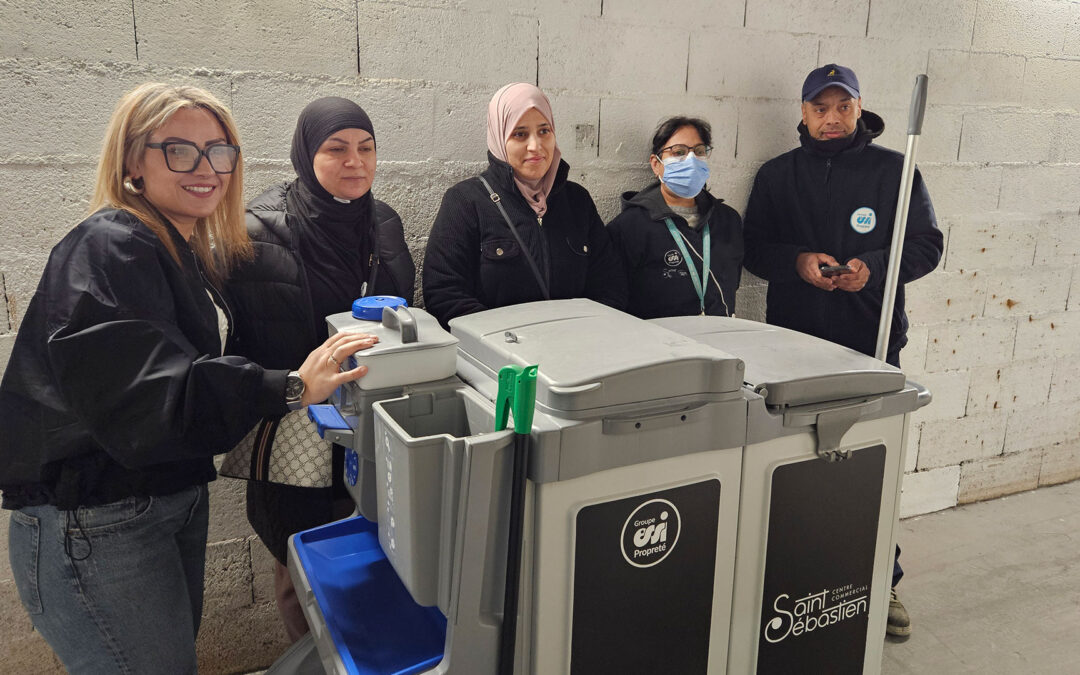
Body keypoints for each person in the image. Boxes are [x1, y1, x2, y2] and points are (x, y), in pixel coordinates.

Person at [0, 83, 376, 672]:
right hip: (97, 517)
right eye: (179, 150)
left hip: (160, 497)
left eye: (219, 151)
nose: (206, 169)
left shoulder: (175, 244)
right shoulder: (111, 245)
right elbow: (155, 395)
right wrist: (292, 385)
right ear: (133, 162)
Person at [742, 63, 943, 638]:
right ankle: (794, 578)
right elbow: (754, 248)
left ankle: (882, 580)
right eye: (819, 108)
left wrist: (872, 269)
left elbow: (927, 245)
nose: (831, 118)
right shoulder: (778, 175)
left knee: (870, 468)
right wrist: (799, 262)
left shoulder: (894, 171)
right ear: (803, 113)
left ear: (859, 109)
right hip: (795, 348)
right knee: (793, 470)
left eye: (842, 106)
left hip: (870, 343)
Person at [224, 96, 415, 642]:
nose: (355, 161)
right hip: (297, 419)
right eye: (336, 149)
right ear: (306, 154)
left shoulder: (384, 222)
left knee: (371, 550)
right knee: (302, 566)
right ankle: (313, 656)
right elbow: (237, 343)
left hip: (372, 418)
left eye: (366, 148)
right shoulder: (257, 231)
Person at [422, 82, 626, 326]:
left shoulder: (577, 201)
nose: (535, 146)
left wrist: (581, 333)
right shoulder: (465, 201)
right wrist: (509, 340)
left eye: (544, 131)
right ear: (499, 138)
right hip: (498, 348)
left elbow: (611, 286)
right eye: (520, 134)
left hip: (575, 344)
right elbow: (444, 294)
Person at [606, 116, 743, 318]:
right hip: (657, 337)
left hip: (720, 334)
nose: (691, 160)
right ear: (656, 164)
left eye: (699, 151)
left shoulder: (727, 220)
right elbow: (613, 299)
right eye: (679, 152)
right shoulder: (630, 227)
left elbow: (732, 283)